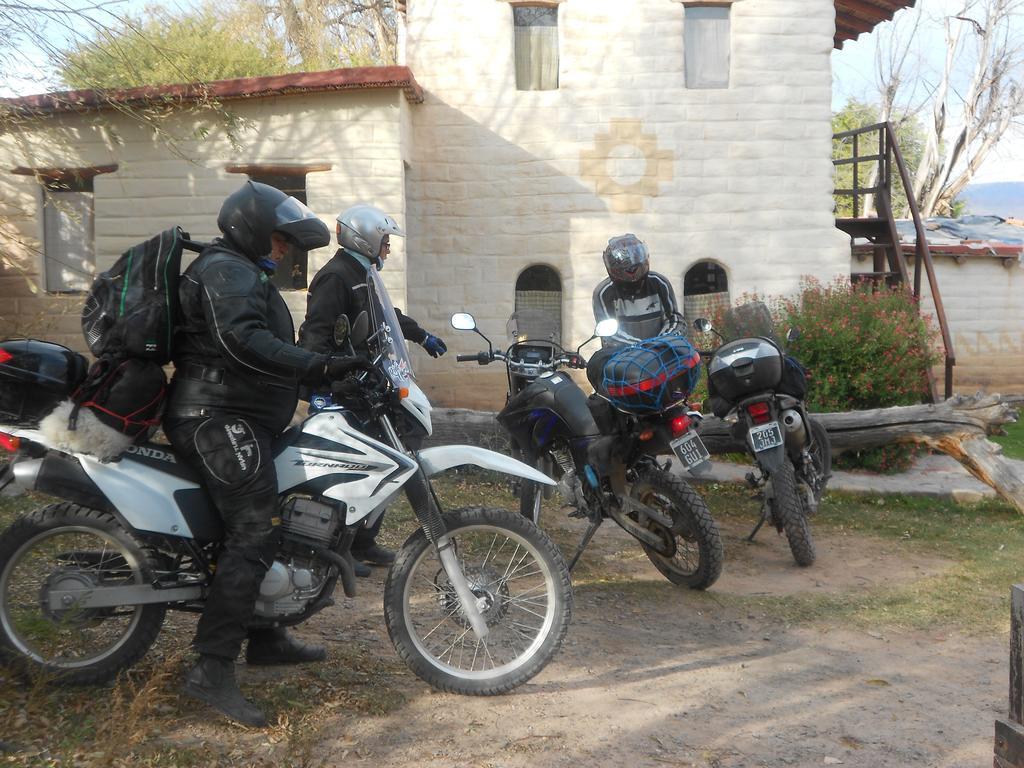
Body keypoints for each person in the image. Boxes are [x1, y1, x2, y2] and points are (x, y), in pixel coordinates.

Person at [164, 181, 369, 727]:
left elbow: (264, 349)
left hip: (242, 416)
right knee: (255, 527)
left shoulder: (239, 270)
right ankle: (211, 669)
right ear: (253, 228)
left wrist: (328, 369)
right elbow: (243, 343)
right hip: (214, 418)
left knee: (286, 504)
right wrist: (317, 366)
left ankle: (265, 636)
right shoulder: (225, 271)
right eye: (279, 239)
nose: (284, 250)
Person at [298, 204, 446, 575]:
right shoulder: (336, 277)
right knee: (352, 468)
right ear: (364, 239)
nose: (388, 249)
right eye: (385, 241)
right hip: (342, 387)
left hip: (367, 384)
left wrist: (420, 335)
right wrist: (331, 374)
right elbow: (315, 335)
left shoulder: (361, 273)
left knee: (386, 462)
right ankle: (337, 547)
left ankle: (362, 541)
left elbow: (385, 314)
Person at [591, 233, 684, 348]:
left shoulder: (659, 283)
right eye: (626, 269)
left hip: (662, 351)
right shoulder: (604, 292)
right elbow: (608, 333)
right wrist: (641, 347)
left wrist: (662, 341)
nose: (632, 273)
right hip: (623, 357)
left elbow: (674, 318)